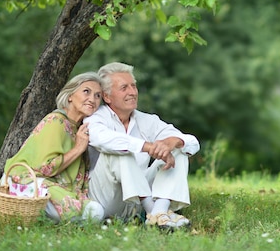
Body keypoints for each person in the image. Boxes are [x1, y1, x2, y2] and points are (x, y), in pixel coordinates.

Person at [0, 72, 105, 224]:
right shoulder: (56, 121)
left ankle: (21, 213)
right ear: (70, 96)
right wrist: (78, 149)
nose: (92, 99)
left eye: (98, 96)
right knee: (94, 213)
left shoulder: (79, 129)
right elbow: (45, 168)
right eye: (86, 91)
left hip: (53, 187)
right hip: (28, 181)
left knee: (95, 212)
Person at [86, 62, 200, 230]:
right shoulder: (96, 118)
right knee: (121, 151)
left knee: (179, 149)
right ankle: (155, 213)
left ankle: (158, 213)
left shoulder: (147, 120)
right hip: (107, 199)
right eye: (124, 88)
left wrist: (174, 142)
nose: (132, 92)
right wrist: (147, 146)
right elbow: (102, 139)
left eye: (133, 86)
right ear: (107, 96)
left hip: (137, 203)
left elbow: (193, 142)